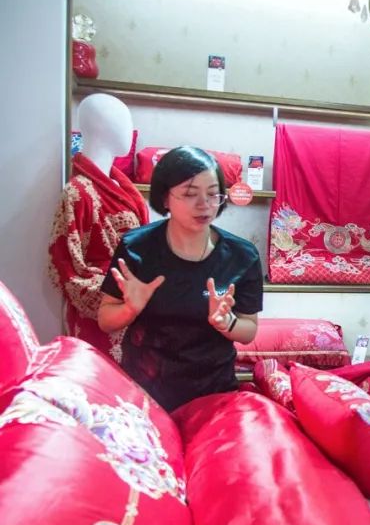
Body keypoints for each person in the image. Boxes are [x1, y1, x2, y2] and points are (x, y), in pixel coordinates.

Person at [99, 146, 263, 411]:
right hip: (144, 392)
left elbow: (249, 330)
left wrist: (227, 323)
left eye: (213, 194)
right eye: (190, 193)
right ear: (165, 197)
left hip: (214, 393)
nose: (204, 204)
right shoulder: (136, 248)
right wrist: (130, 309)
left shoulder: (242, 255)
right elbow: (105, 320)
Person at [48, 93, 148, 361]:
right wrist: (115, 295)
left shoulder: (123, 188)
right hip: (100, 313)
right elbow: (65, 264)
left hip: (136, 305)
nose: (129, 128)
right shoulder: (78, 192)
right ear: (101, 125)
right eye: (123, 119)